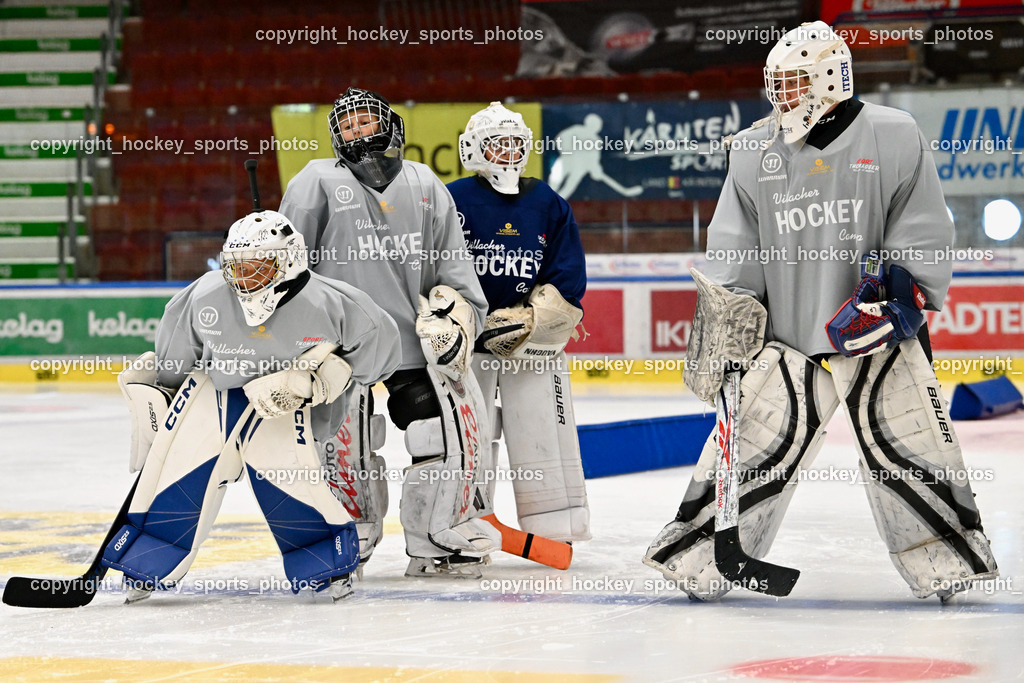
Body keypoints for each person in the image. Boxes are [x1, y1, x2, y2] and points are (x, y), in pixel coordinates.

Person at [643, 21, 997, 601]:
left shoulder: (893, 134)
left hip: (874, 335)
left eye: (793, 81)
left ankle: (948, 564)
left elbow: (925, 225)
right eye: (775, 82)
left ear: (831, 78)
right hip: (786, 339)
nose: (781, 94)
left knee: (908, 449)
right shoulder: (753, 148)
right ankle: (702, 561)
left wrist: (904, 293)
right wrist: (732, 313)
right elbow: (734, 244)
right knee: (753, 449)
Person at [103, 210, 401, 602]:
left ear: (289, 260)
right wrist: (162, 394)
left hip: (283, 408)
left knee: (293, 486)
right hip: (215, 394)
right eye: (235, 267)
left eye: (256, 266)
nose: (243, 278)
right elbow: (175, 358)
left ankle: (323, 565)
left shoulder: (335, 303)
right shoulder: (204, 294)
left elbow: (384, 355)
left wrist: (327, 376)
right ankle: (146, 562)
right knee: (175, 479)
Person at [278, 87, 501, 578]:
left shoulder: (425, 183)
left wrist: (457, 316)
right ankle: (345, 534)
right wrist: (293, 340)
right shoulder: (314, 182)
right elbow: (287, 271)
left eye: (365, 121)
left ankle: (435, 537)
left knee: (437, 436)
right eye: (348, 125)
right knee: (344, 443)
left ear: (391, 126)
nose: (357, 131)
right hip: (338, 349)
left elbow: (455, 272)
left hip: (410, 344)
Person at [447, 102, 590, 545]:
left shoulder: (548, 203)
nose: (508, 152)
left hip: (531, 348)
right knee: (468, 441)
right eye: (497, 142)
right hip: (467, 349)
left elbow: (567, 274)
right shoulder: (451, 198)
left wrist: (537, 319)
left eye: (515, 143)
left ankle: (556, 527)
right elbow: (431, 266)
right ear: (474, 148)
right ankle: (464, 528)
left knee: (546, 432)